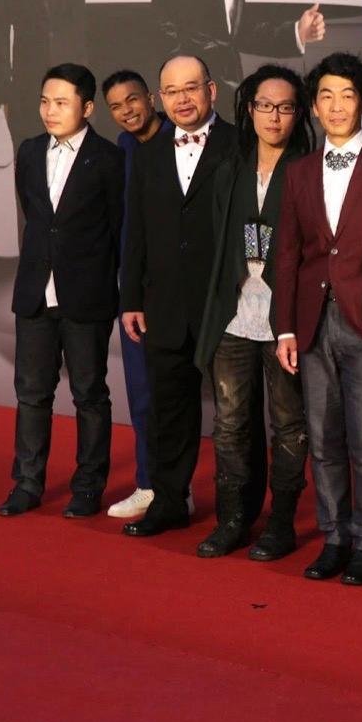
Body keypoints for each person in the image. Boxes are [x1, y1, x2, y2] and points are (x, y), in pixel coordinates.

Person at [272, 53, 362, 586]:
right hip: (309, 322)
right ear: (314, 104)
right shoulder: (299, 170)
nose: (335, 105)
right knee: (322, 439)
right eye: (325, 95)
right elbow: (285, 252)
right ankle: (335, 537)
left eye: (347, 95)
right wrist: (284, 326)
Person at [193, 65, 314, 561]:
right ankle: (233, 520)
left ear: (298, 113)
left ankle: (280, 524)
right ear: (249, 108)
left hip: (286, 315)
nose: (274, 116)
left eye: (285, 107)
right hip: (234, 311)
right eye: (265, 105)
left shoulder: (309, 166)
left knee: (287, 422)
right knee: (230, 423)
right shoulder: (231, 165)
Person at [119, 55, 239, 538]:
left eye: (191, 88)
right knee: (169, 409)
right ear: (159, 99)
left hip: (227, 302)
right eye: (171, 91)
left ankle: (237, 513)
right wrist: (131, 298)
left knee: (236, 416)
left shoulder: (239, 145)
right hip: (163, 303)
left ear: (212, 90)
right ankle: (169, 501)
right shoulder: (145, 154)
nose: (182, 99)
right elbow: (137, 233)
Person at [0, 63, 124, 518]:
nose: (50, 111)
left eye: (62, 102)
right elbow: (35, 218)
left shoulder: (109, 160)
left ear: (87, 108)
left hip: (86, 296)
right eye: (45, 101)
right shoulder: (29, 151)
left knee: (89, 394)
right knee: (31, 392)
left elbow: (116, 230)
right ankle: (27, 483)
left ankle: (88, 487)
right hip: (34, 291)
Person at [0, 0, 136, 148]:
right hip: (28, 87)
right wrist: (4, 92)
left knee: (74, 164)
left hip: (73, 81)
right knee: (34, 166)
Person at [100, 69, 170, 519]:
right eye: (116, 106)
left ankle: (180, 488)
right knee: (142, 393)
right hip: (135, 292)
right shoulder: (122, 149)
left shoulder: (181, 139)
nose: (127, 111)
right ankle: (148, 484)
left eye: (132, 100)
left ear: (150, 97)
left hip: (183, 288)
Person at [151, 0, 326, 108]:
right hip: (195, 88)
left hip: (230, 87)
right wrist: (181, 86)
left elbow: (239, 31)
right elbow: (163, 20)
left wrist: (297, 33)